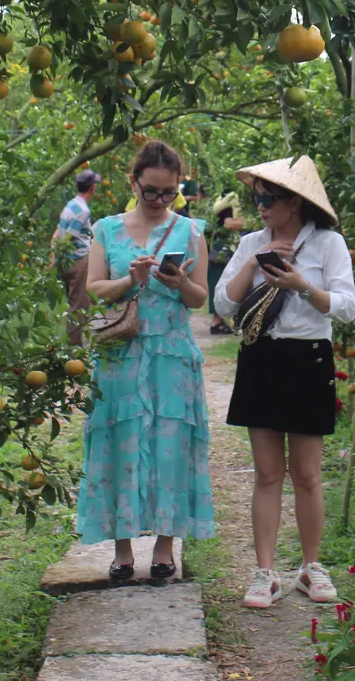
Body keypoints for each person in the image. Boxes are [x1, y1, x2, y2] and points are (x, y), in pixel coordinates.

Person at [214, 155, 355, 609]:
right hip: (262, 357)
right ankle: (265, 572)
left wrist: (299, 284)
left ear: (294, 202)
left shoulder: (328, 243)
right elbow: (221, 305)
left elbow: (346, 306)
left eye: (267, 198)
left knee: (308, 474)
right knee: (268, 473)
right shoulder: (253, 242)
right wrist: (254, 266)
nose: (260, 206)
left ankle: (311, 567)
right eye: (257, 197)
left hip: (307, 358)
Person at [78, 140, 215, 581]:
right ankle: (121, 549)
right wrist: (129, 279)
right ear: (133, 182)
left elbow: (200, 298)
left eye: (168, 193)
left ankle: (164, 546)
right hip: (121, 354)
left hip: (172, 357)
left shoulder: (191, 231)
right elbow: (95, 287)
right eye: (151, 191)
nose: (159, 201)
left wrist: (175, 282)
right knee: (121, 445)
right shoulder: (105, 229)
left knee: (171, 446)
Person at [50, 169, 101, 315]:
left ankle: (72, 335)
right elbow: (68, 237)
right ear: (92, 187)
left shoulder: (70, 205)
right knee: (79, 306)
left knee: (73, 302)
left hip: (66, 261)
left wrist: (54, 257)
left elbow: (57, 233)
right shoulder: (83, 211)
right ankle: (76, 338)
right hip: (78, 261)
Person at [206, 184, 247, 336]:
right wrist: (251, 223)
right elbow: (229, 224)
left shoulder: (224, 200)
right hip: (222, 249)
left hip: (223, 248)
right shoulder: (229, 203)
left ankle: (221, 321)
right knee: (220, 281)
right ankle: (217, 321)